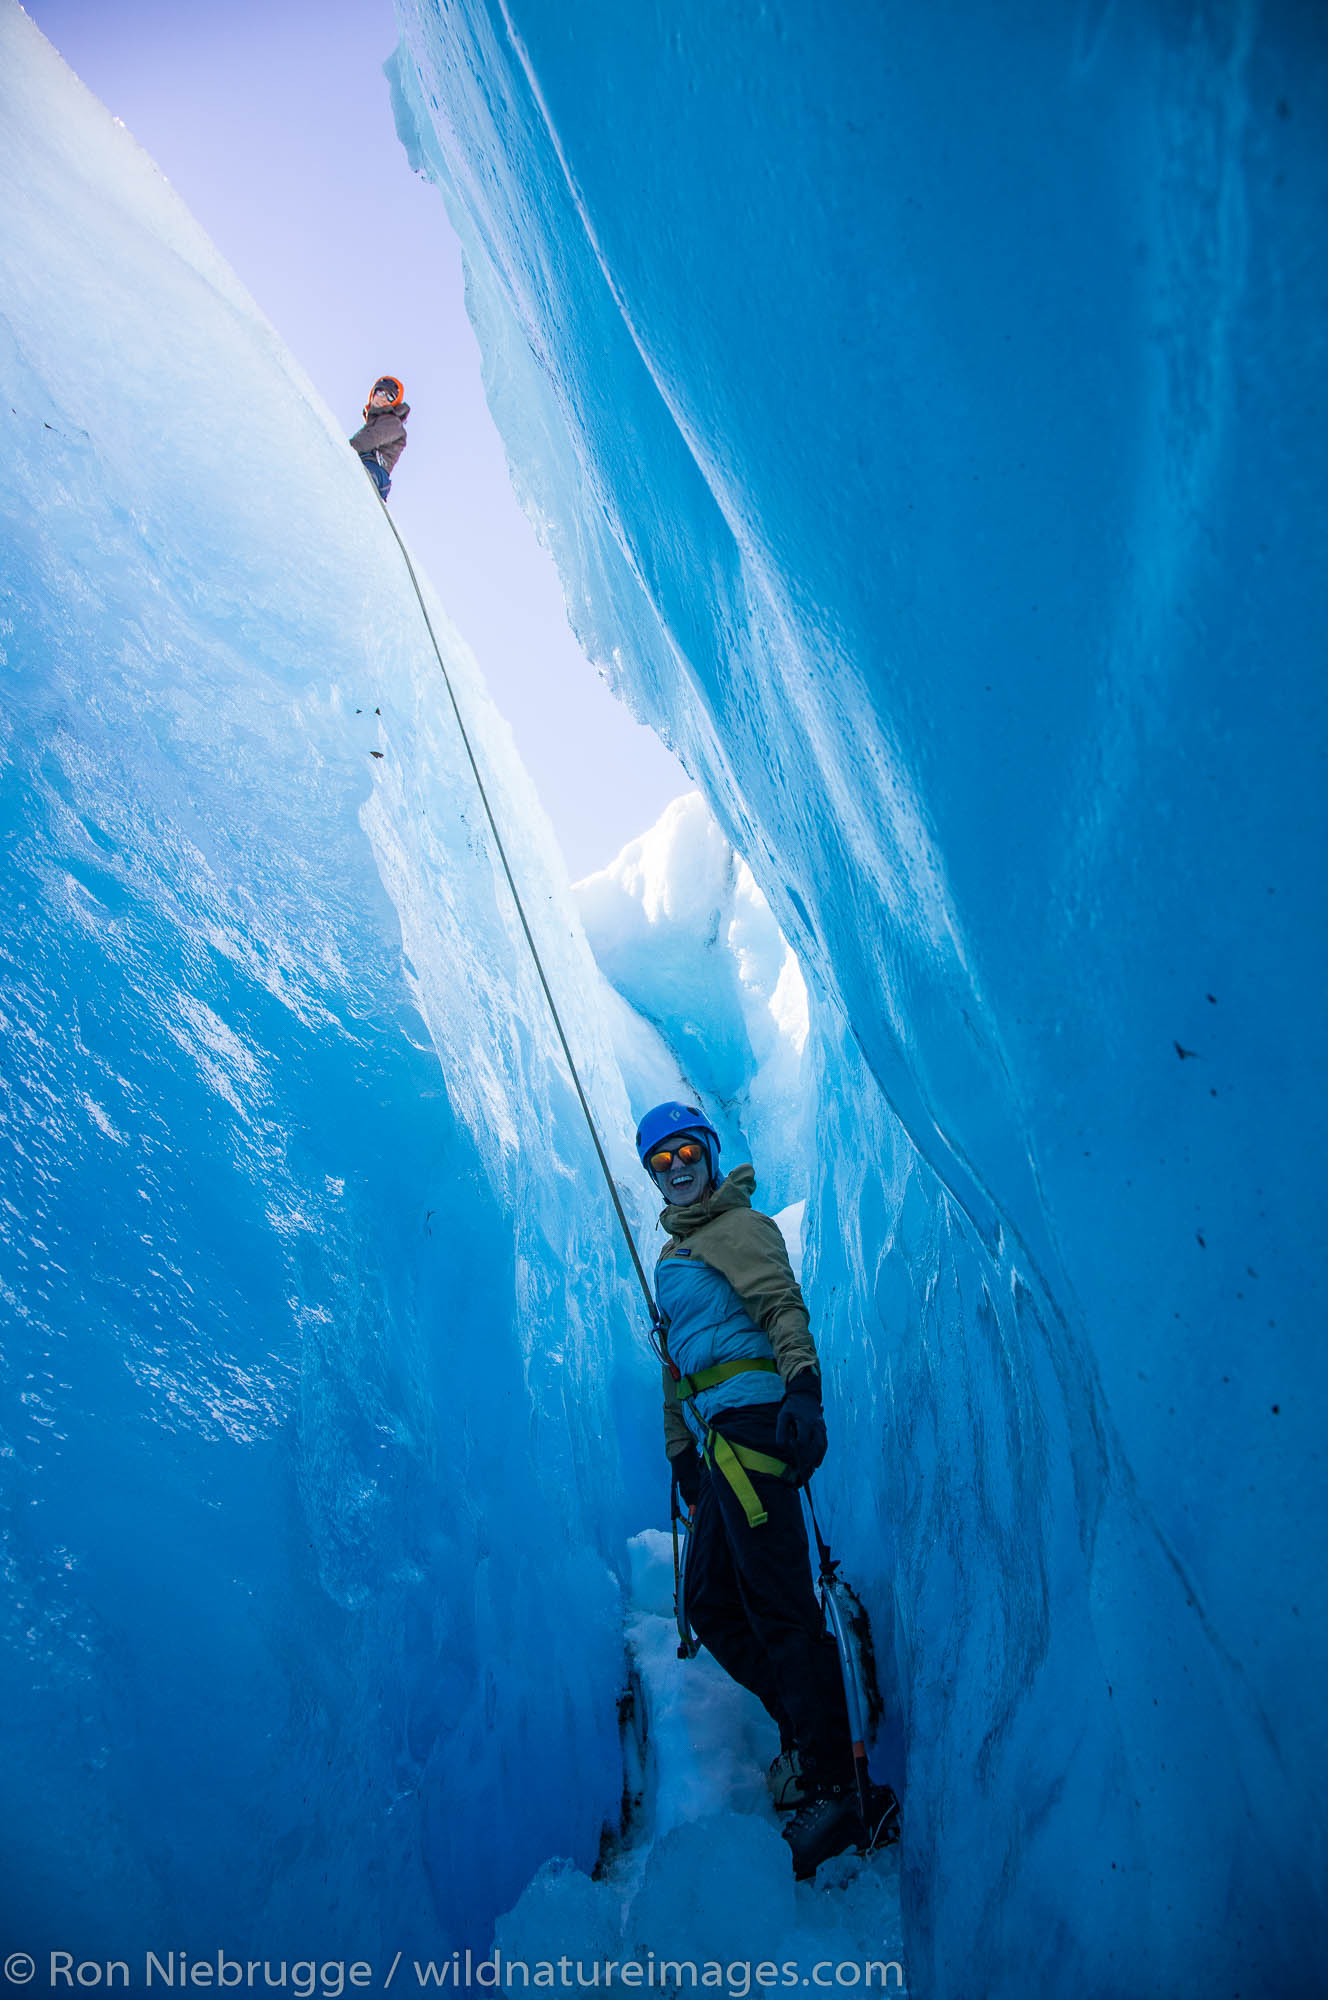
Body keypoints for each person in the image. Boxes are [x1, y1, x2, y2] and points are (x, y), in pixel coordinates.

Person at [636, 1100, 879, 1879]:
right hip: (715, 1445)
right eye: (660, 1164)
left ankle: (840, 1790)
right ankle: (810, 1745)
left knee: (778, 1604)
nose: (676, 1172)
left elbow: (780, 1305)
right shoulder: (677, 1258)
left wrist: (804, 1388)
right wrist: (681, 1453)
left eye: (685, 1156)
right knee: (709, 1603)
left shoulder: (737, 1228)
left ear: (709, 1155)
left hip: (755, 1430)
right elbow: (676, 1370)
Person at [349, 376, 409, 500]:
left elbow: (372, 438)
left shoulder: (392, 422)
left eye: (389, 397)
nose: (383, 399)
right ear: (373, 394)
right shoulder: (375, 421)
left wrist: (343, 448)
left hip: (376, 470)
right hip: (366, 463)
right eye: (380, 392)